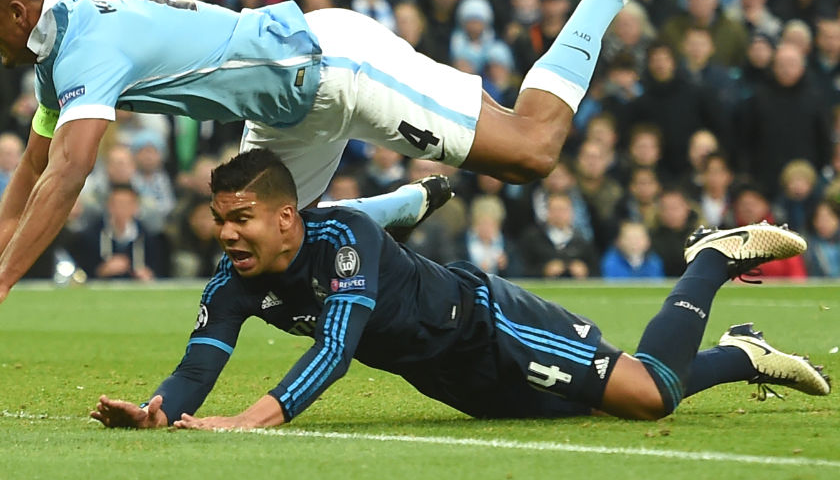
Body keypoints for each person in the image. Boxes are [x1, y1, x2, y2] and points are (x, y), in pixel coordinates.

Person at [0, 0, 708, 329]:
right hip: (290, 107)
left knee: (531, 152)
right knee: (267, 257)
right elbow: (34, 163)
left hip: (334, 66)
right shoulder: (61, 46)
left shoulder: (86, 48)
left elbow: (72, 173)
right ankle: (400, 207)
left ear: (19, 13)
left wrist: (7, 282)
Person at [90, 150, 830, 431]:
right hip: (451, 379)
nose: (225, 233)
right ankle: (742, 350)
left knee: (649, 394)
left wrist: (250, 420)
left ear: (287, 218)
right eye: (220, 219)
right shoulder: (236, 277)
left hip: (492, 326)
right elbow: (197, 365)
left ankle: (708, 260)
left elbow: (338, 347)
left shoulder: (344, 238)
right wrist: (159, 413)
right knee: (597, 408)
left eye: (241, 218)